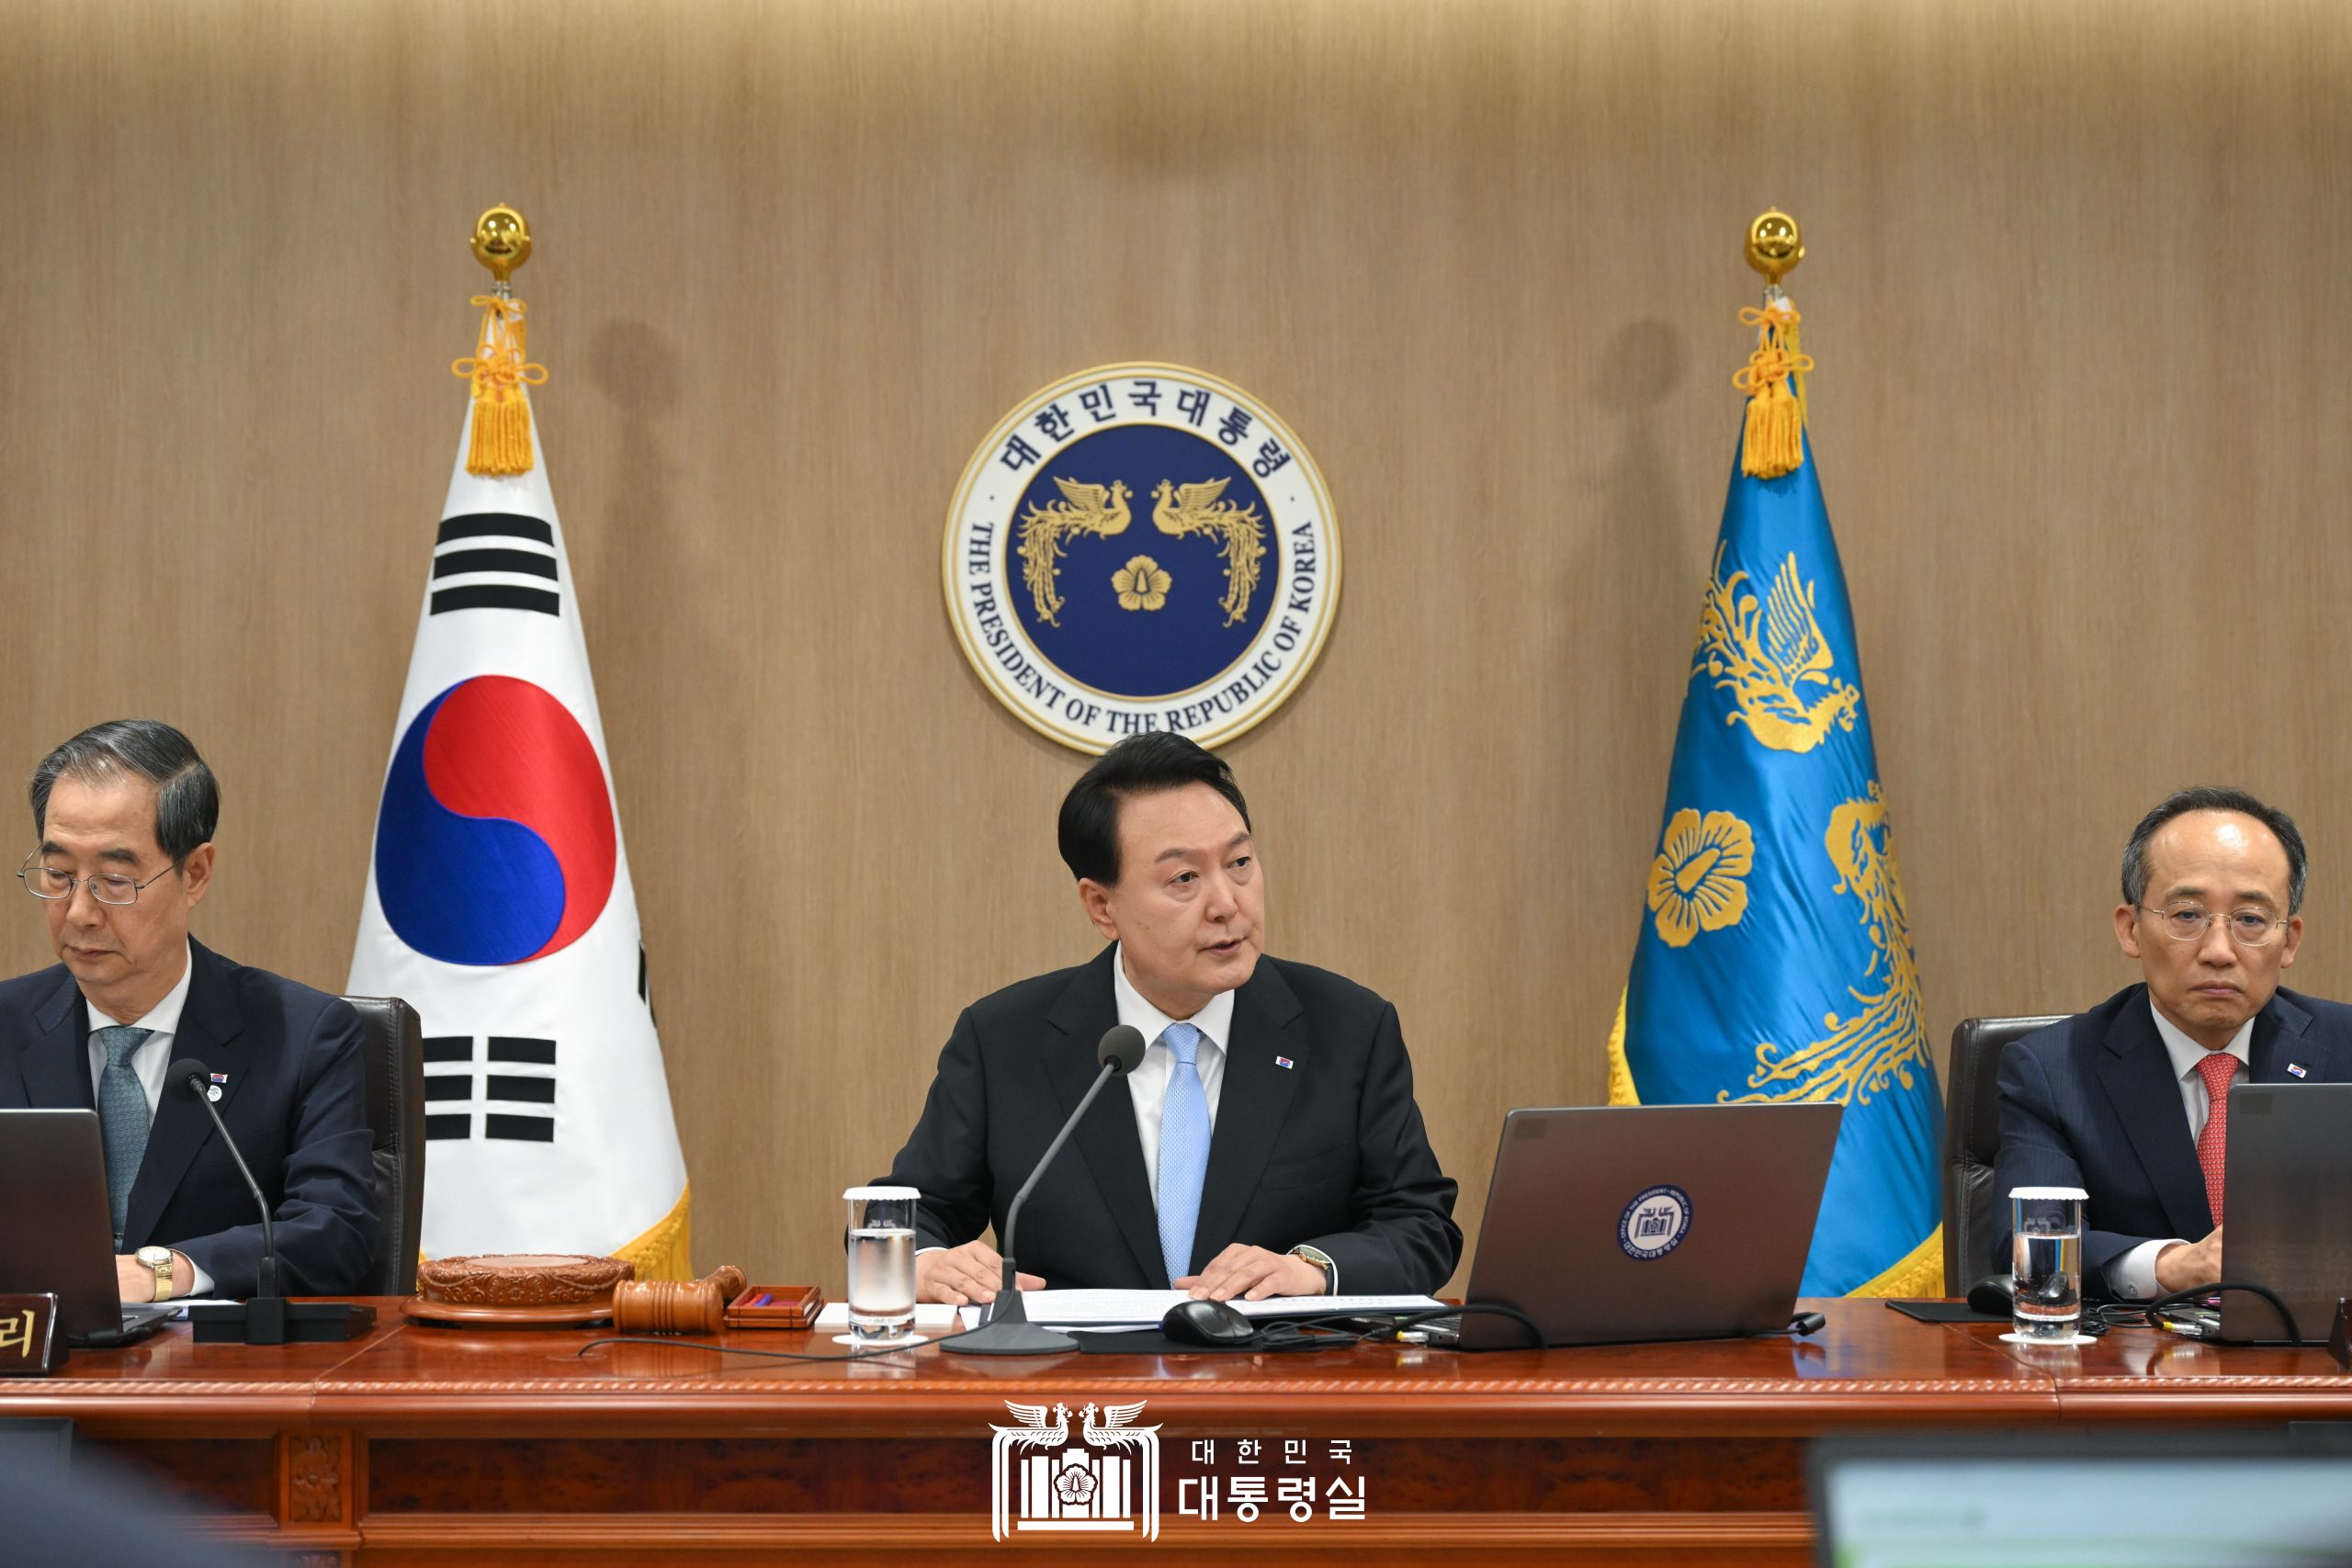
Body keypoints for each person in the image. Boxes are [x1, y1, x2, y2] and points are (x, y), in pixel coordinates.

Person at [883, 733, 1460, 1305]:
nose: (1227, 903)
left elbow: (1421, 1225)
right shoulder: (1004, 1040)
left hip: (1273, 1381)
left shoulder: (1348, 1028)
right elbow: (902, 1218)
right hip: (1081, 1385)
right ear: (1101, 906)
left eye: (1239, 863)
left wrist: (1312, 1268)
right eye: (1184, 878)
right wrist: (929, 1265)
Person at [0, 720, 378, 1302]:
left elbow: (336, 1232)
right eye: (59, 875)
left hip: (222, 1378)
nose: (79, 912)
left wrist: (160, 1273)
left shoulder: (304, 1036)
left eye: (115, 880)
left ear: (195, 873)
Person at [1993, 786, 2352, 1298]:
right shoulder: (2052, 1071)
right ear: (2131, 930)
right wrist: (2174, 1265)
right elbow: (2029, 1243)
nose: (2219, 951)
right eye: (2187, 915)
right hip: (2138, 1365)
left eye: (2250, 920)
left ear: (2289, 939)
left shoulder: (2344, 1050)